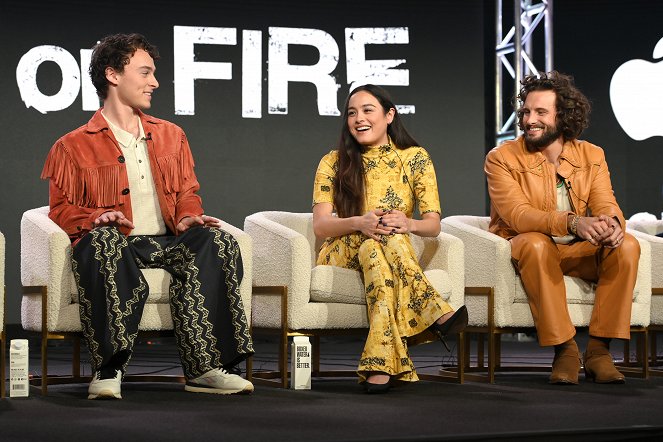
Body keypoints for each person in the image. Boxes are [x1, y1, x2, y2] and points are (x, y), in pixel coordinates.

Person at [41, 33, 254, 399]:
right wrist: (96, 217)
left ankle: (206, 367)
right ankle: (108, 370)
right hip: (116, 243)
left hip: (166, 241)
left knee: (217, 239)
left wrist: (188, 216)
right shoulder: (72, 145)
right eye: (145, 72)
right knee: (105, 243)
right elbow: (60, 210)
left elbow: (188, 193)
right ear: (112, 74)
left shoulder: (172, 135)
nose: (154, 82)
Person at [485, 71, 640, 385]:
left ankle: (599, 351)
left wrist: (611, 225)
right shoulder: (501, 158)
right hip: (529, 251)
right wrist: (573, 222)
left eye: (541, 112)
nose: (530, 120)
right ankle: (565, 350)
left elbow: (605, 201)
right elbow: (518, 215)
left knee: (627, 244)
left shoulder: (591, 155)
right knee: (535, 243)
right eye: (526, 112)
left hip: (578, 251)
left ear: (564, 115)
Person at [312, 84, 468, 394]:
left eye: (368, 110)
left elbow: (433, 225)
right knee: (378, 237)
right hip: (341, 249)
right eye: (352, 113)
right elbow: (321, 226)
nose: (359, 118)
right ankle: (437, 311)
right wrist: (360, 221)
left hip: (384, 249)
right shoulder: (333, 161)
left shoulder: (415, 158)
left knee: (381, 243)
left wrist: (407, 222)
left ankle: (378, 364)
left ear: (389, 115)